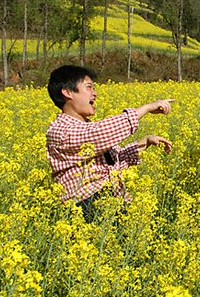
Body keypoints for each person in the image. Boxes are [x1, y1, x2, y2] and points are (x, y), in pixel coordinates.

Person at [46, 65, 173, 222]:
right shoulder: (60, 131)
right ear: (67, 92)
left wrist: (144, 143)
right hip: (85, 207)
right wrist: (146, 108)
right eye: (89, 87)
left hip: (108, 200)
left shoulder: (86, 127)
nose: (95, 93)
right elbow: (99, 133)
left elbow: (114, 162)